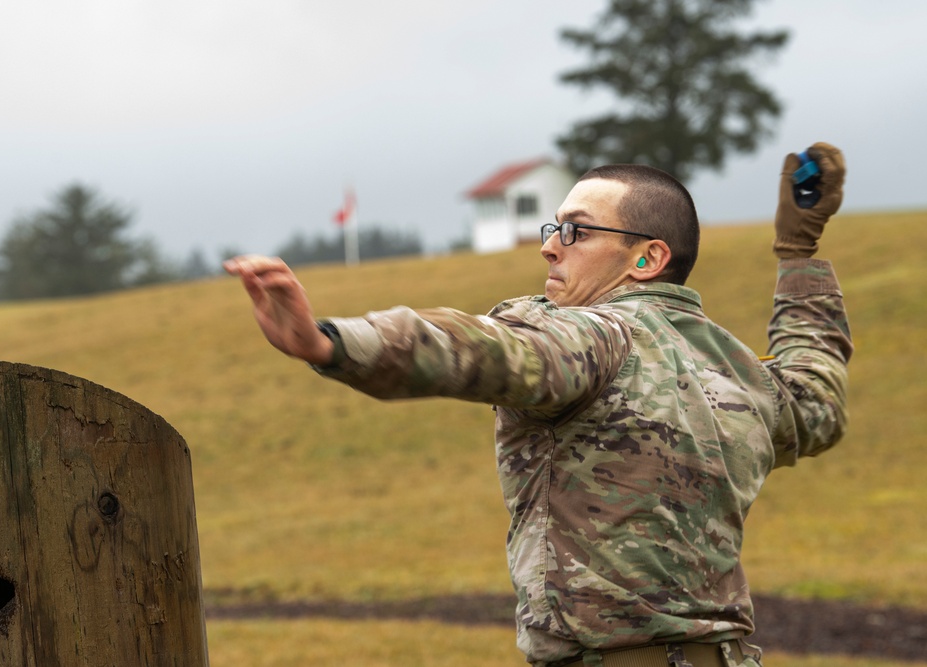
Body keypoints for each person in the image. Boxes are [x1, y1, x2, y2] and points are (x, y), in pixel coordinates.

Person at [224, 143, 850, 667]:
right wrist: (799, 254)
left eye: (575, 231)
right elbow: (816, 396)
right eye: (555, 229)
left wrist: (330, 343)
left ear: (648, 257)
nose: (551, 247)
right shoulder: (739, 371)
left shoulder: (597, 335)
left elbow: (483, 349)